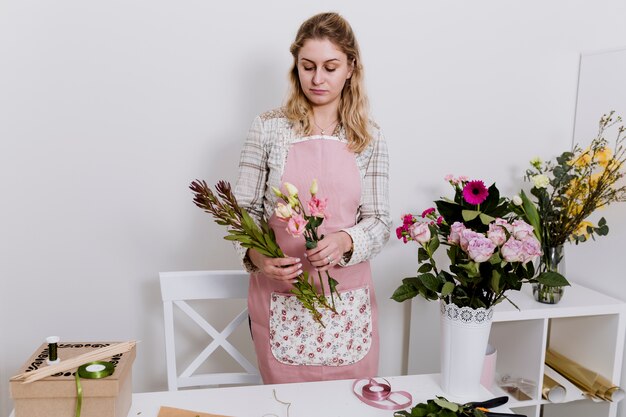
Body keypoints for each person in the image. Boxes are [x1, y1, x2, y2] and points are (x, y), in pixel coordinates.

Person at [233, 11, 390, 384]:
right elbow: (243, 211)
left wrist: (345, 240)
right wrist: (258, 255)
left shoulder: (369, 136)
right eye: (308, 66)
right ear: (296, 67)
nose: (317, 78)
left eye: (330, 67)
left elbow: (380, 221)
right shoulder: (269, 127)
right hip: (281, 295)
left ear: (351, 67)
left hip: (346, 302)